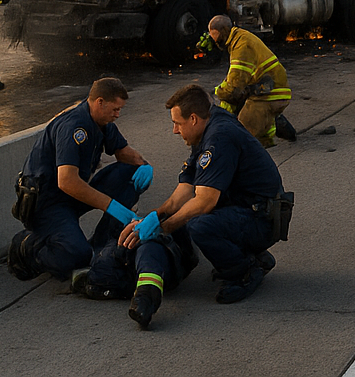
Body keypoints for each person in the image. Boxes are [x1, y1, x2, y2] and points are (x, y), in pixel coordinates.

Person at [117, 83, 283, 317]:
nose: (175, 130)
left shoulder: (219, 137)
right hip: (250, 208)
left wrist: (164, 228)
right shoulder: (209, 124)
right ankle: (250, 253)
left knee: (198, 224)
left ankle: (244, 271)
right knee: (187, 213)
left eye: (177, 123)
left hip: (261, 217)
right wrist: (156, 215)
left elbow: (205, 201)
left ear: (193, 119)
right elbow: (186, 189)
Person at [7, 77, 153, 281]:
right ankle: (28, 245)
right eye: (115, 109)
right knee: (75, 256)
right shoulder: (74, 127)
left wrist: (144, 165)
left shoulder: (102, 121)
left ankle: (104, 245)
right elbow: (66, 181)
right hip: (48, 203)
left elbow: (122, 152)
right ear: (99, 102)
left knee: (129, 173)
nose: (118, 115)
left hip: (73, 194)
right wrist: (111, 207)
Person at [72, 224, 201, 330]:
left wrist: (152, 225)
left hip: (162, 249)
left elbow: (176, 220)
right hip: (126, 253)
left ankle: (145, 298)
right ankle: (134, 292)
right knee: (97, 277)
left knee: (148, 251)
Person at [200, 15, 296, 147]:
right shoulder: (238, 37)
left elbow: (234, 88)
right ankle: (272, 120)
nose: (216, 41)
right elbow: (232, 78)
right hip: (262, 88)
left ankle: (271, 119)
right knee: (237, 103)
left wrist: (217, 94)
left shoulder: (241, 46)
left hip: (271, 93)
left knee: (240, 135)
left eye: (216, 36)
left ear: (224, 30)